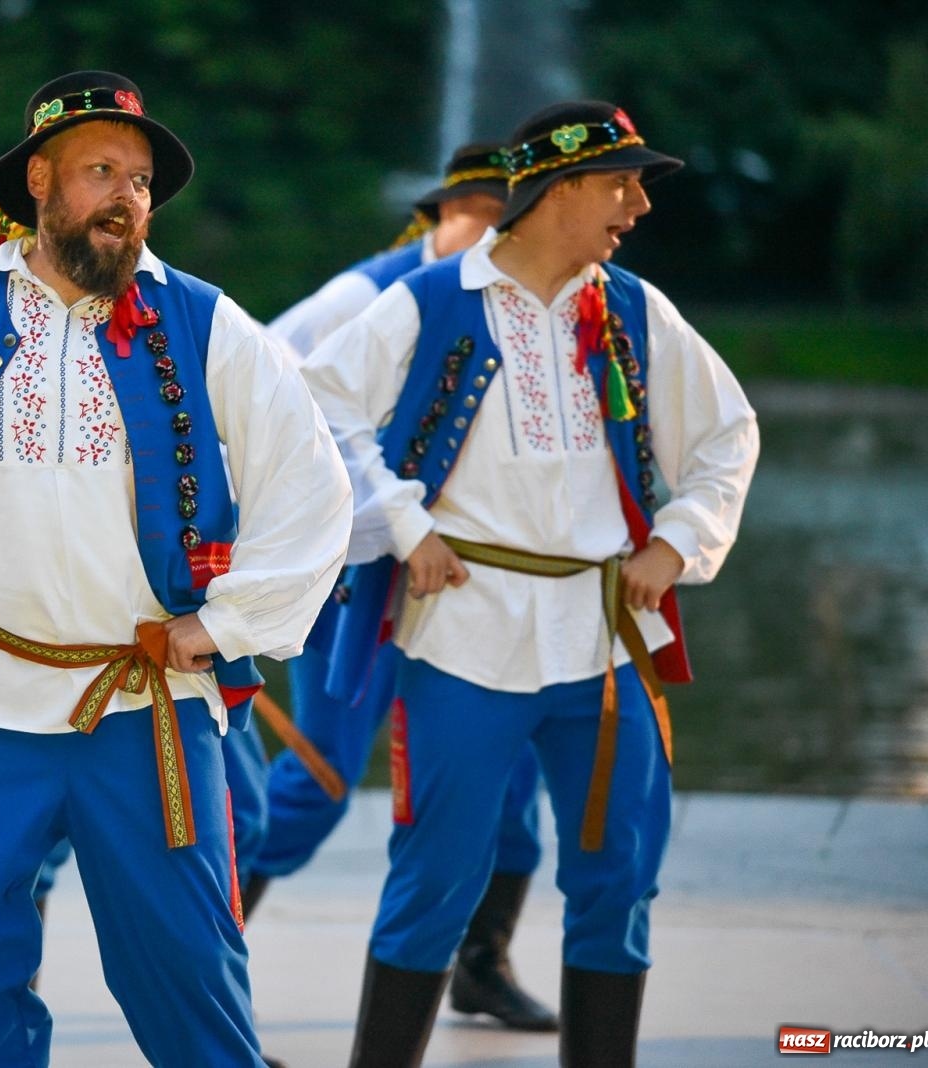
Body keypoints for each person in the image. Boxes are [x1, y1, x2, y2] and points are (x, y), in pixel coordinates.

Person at [0, 70, 351, 1068]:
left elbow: (312, 490)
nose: (127, 196)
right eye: (102, 171)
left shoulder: (204, 321)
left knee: (188, 974)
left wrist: (221, 626)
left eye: (139, 180)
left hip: (150, 707)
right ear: (39, 180)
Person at [302, 101, 758, 1067]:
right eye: (620, 183)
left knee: (619, 877)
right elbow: (316, 407)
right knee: (433, 880)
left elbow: (727, 435)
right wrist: (403, 523)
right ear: (556, 191)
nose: (636, 205)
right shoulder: (430, 301)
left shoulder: (633, 307)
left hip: (604, 640)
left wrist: (675, 543)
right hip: (464, 634)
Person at [253, 142, 559, 1032]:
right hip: (353, 578)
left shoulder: (524, 296)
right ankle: (204, 939)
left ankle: (483, 965)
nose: (503, 234)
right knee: (318, 777)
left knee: (509, 777)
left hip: (463, 584)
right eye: (493, 215)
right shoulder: (367, 295)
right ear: (445, 211)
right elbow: (250, 394)